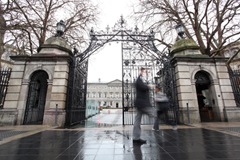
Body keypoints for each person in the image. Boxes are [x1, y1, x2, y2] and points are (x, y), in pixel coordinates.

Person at [132, 67, 157, 144]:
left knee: (137, 120)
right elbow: (142, 87)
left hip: (141, 104)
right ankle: (171, 123)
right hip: (143, 104)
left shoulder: (140, 80)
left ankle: (136, 138)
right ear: (141, 72)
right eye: (144, 72)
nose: (145, 73)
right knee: (155, 114)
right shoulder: (139, 80)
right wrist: (149, 86)